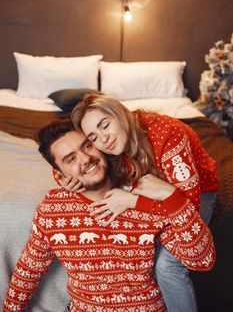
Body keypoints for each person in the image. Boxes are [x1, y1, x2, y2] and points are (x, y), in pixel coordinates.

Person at [4, 119, 215, 312]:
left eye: (87, 146)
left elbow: (202, 260)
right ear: (59, 175)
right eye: (71, 159)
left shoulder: (142, 198)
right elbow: (28, 271)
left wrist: (172, 197)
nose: (85, 158)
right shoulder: (53, 209)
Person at [59, 93, 219, 312]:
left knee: (166, 265)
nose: (103, 139)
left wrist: (134, 202)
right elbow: (67, 147)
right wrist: (67, 177)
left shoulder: (168, 133)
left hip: (194, 193)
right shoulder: (112, 144)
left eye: (105, 125)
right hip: (149, 190)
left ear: (120, 114)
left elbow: (184, 205)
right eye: (93, 137)